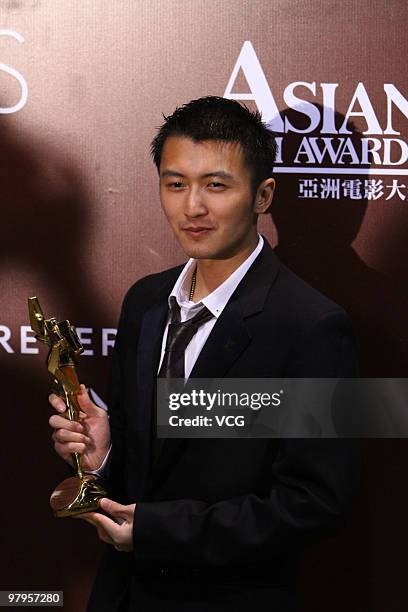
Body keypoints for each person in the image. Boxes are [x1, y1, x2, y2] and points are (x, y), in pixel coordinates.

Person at [49, 96, 358, 611]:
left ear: (263, 195)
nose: (192, 207)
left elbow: (316, 503)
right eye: (175, 184)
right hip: (122, 595)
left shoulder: (313, 327)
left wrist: (157, 531)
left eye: (216, 185)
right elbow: (153, 459)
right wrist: (104, 454)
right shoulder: (146, 301)